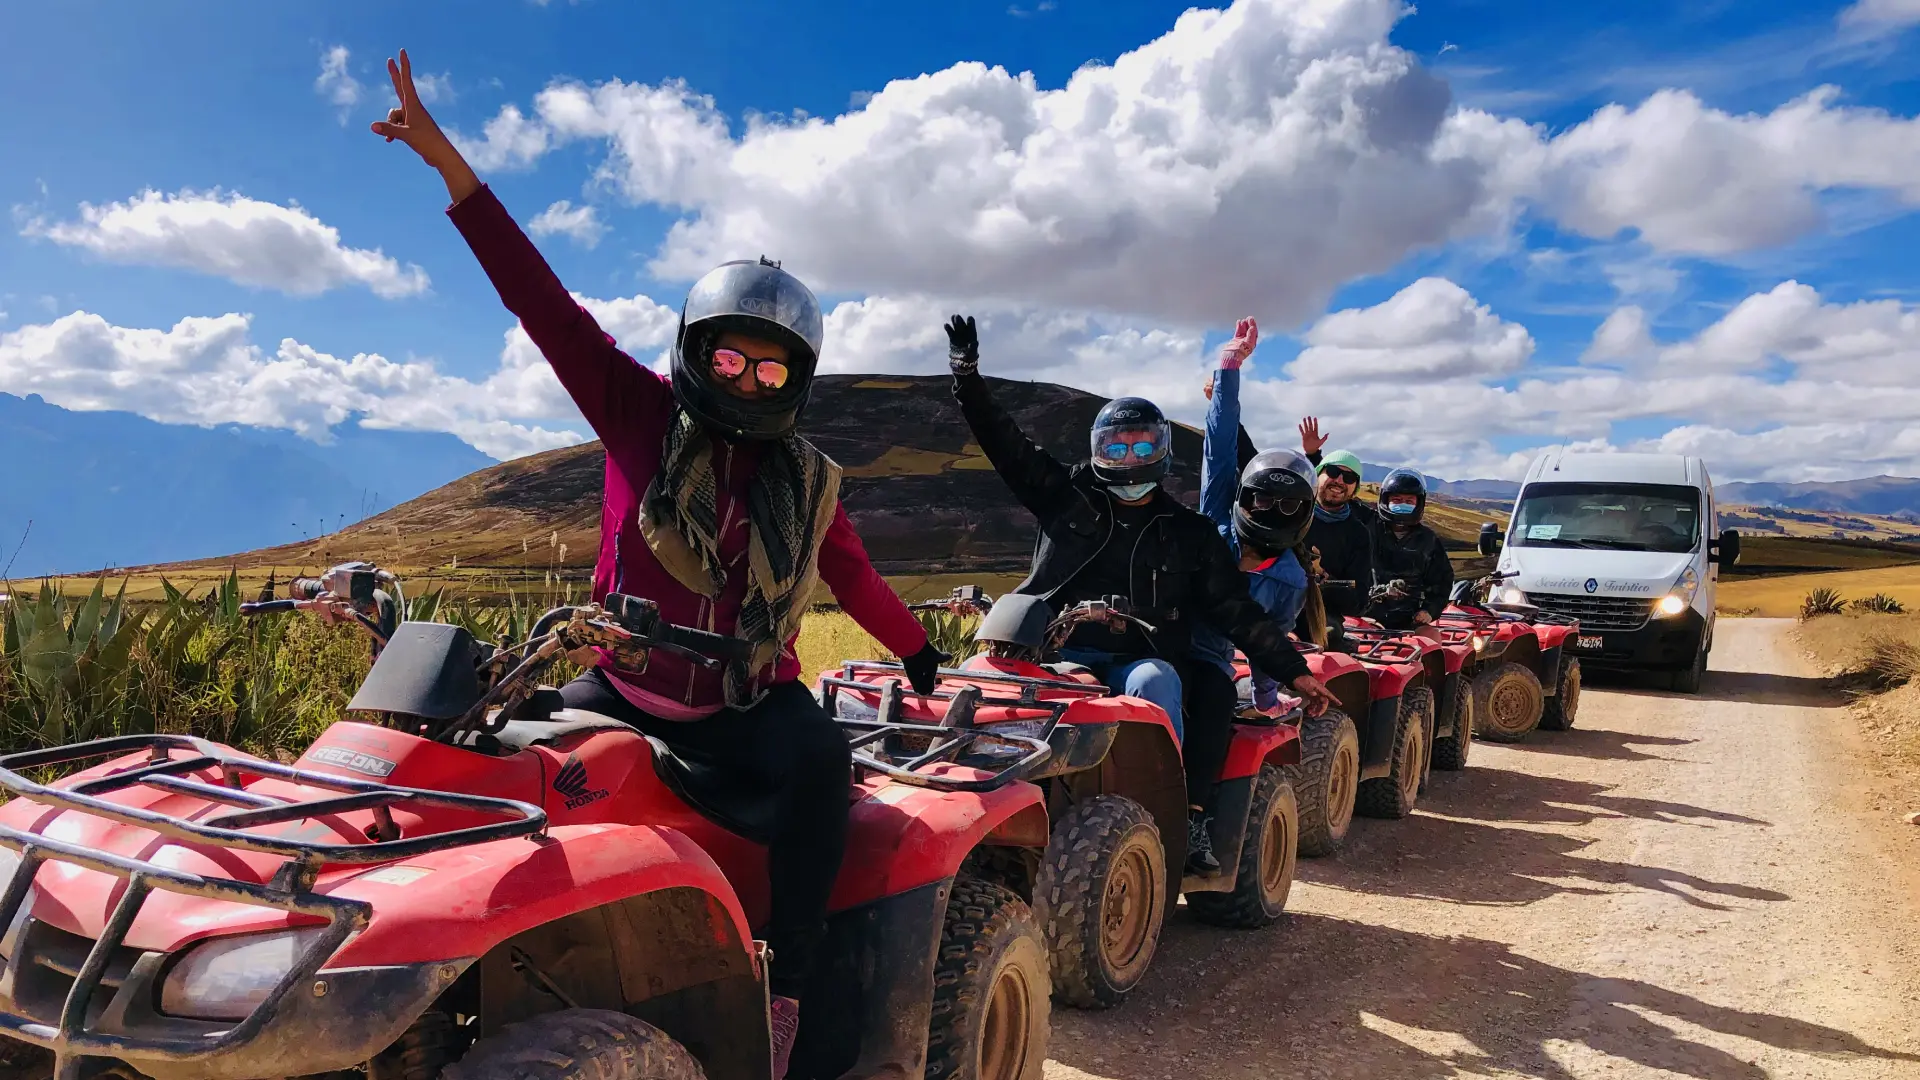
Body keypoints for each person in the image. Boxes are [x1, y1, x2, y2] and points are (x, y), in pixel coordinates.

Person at [371, 50, 940, 1078]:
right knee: (491, 749)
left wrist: (917, 651)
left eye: (771, 366)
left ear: (798, 378)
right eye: (730, 357)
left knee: (822, 764)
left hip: (744, 701)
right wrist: (451, 168)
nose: (748, 380)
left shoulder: (805, 480)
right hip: (622, 685)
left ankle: (790, 982)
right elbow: (544, 306)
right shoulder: (636, 413)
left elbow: (851, 574)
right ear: (694, 350)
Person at [943, 313, 1334, 876]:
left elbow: (1236, 610)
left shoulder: (1189, 532)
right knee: (976, 680)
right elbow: (1003, 442)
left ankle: (1164, 821)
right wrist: (966, 376)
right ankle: (972, 809)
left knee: (1157, 683)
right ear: (1098, 448)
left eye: (1142, 444)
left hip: (1137, 658)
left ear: (1162, 449)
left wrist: (1294, 672)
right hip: (1053, 651)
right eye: (1117, 446)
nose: (1130, 457)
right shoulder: (1065, 496)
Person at [1190, 318, 1322, 872]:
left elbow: (1269, 641)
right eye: (1261, 500)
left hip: (1207, 658)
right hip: (1153, 633)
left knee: (1215, 709)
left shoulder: (1289, 580)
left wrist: (1267, 696)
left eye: (1285, 505)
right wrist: (1229, 369)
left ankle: (1195, 820)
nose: (1269, 510)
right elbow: (1220, 447)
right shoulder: (1214, 519)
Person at [1297, 426, 1376, 653]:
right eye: (1332, 471)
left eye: (1349, 477)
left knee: (1326, 639)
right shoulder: (1292, 510)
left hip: (1318, 616)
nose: (1339, 480)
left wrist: (1325, 581)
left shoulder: (1358, 534)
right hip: (1271, 602)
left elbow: (1359, 600)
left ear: (1355, 488)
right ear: (1318, 474)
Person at [1366, 468, 1454, 639]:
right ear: (1385, 499)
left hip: (1409, 621)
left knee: (1431, 638)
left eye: (1409, 501)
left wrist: (1429, 611)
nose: (1402, 504)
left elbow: (1442, 581)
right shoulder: (1366, 529)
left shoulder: (1428, 540)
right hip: (1364, 617)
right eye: (1397, 499)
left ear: (1419, 503)